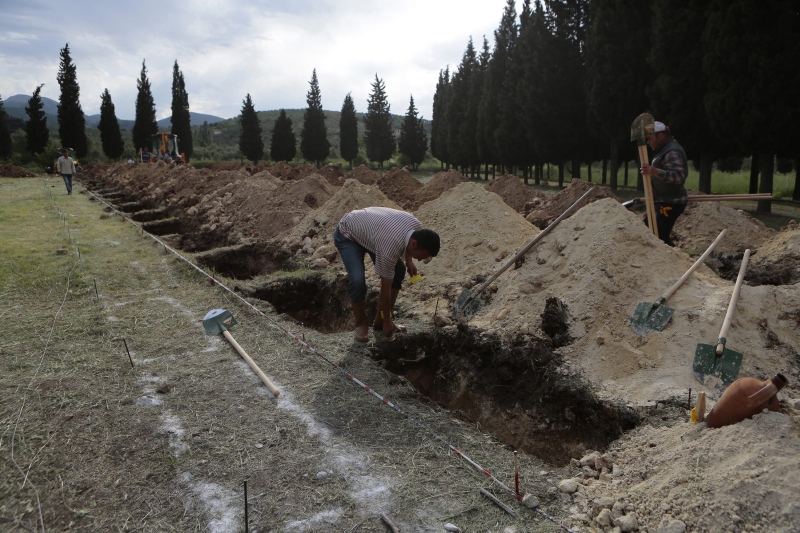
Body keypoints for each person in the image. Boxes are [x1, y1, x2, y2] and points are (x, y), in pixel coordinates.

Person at [334, 207, 440, 342]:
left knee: (399, 270)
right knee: (358, 281)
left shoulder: (416, 227)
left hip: (373, 234)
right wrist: (388, 321)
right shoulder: (390, 246)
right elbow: (385, 287)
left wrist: (409, 262)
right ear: (414, 243)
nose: (419, 260)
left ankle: (380, 320)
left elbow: (407, 244)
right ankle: (361, 323)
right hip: (348, 234)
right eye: (419, 256)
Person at [640, 121, 688, 247]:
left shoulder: (671, 151)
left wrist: (655, 172)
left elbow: (679, 177)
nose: (648, 142)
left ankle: (675, 262)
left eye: (649, 138)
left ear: (660, 136)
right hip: (663, 201)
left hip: (671, 202)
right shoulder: (664, 149)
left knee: (658, 238)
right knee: (648, 232)